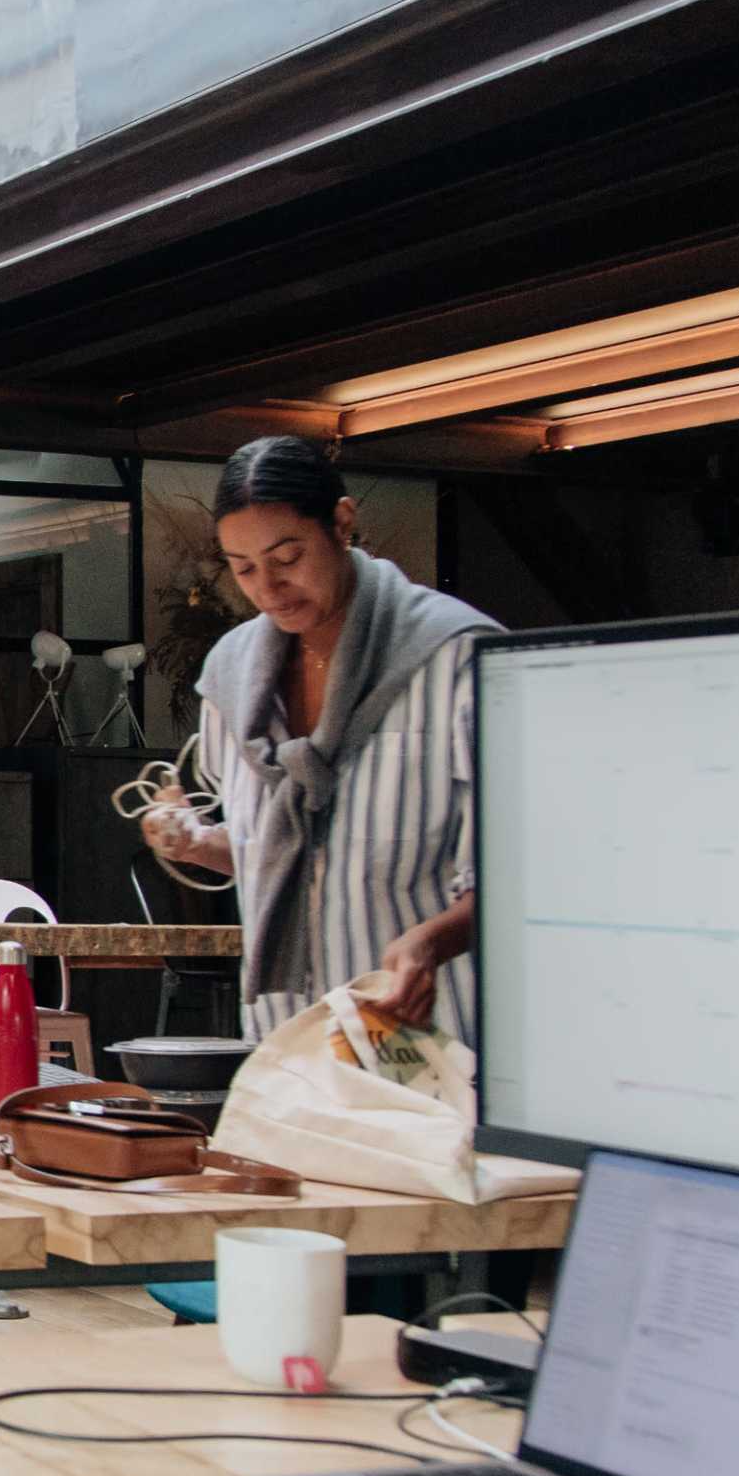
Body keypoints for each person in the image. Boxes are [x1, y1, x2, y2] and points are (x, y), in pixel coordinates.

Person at [139, 436, 499, 1049]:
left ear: (342, 522)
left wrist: (430, 943)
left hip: (424, 1039)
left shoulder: (455, 657)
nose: (268, 587)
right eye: (244, 568)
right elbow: (278, 850)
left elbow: (517, 877)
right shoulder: (232, 675)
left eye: (287, 557)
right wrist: (197, 842)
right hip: (288, 1043)